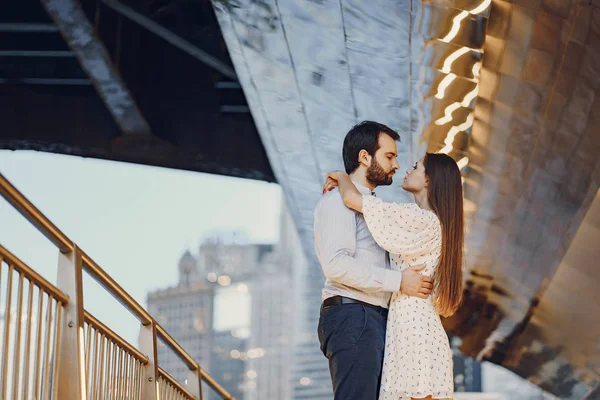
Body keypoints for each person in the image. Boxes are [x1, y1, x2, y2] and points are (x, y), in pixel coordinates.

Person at [323, 152, 464, 400]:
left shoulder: (420, 218)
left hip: (412, 325)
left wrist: (340, 175)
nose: (404, 169)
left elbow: (352, 198)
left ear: (429, 179)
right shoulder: (431, 221)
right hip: (413, 321)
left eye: (415, 166)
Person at [314, 121, 434, 400]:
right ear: (365, 157)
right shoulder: (335, 203)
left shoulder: (373, 207)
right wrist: (399, 281)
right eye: (389, 156)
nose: (396, 165)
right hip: (354, 314)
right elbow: (336, 264)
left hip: (374, 319)